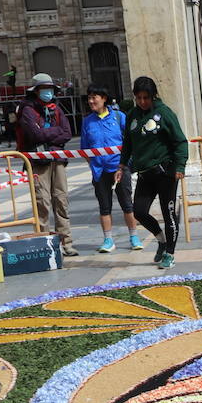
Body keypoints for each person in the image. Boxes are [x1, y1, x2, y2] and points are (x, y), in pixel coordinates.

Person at [121, 75, 188, 269]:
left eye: (146, 97)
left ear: (153, 95)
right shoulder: (132, 115)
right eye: (138, 98)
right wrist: (122, 165)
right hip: (144, 174)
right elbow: (128, 143)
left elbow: (180, 141)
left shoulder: (164, 113)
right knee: (139, 212)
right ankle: (161, 240)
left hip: (166, 172)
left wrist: (180, 167)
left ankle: (170, 253)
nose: (142, 102)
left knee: (169, 214)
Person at [16, 72, 77, 256]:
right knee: (42, 203)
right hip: (38, 163)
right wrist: (55, 133)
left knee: (61, 201)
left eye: (50, 89)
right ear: (36, 91)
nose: (48, 92)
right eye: (44, 89)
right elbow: (34, 135)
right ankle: (44, 245)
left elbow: (67, 132)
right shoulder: (27, 110)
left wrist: (49, 133)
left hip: (57, 161)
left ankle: (66, 243)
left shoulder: (56, 109)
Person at [82, 85, 141, 254]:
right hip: (99, 171)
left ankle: (134, 236)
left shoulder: (119, 116)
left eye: (95, 97)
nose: (91, 101)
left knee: (127, 205)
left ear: (104, 99)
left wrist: (124, 165)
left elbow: (130, 143)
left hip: (120, 168)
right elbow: (85, 149)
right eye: (89, 98)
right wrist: (93, 165)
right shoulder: (87, 121)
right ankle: (108, 240)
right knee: (104, 207)